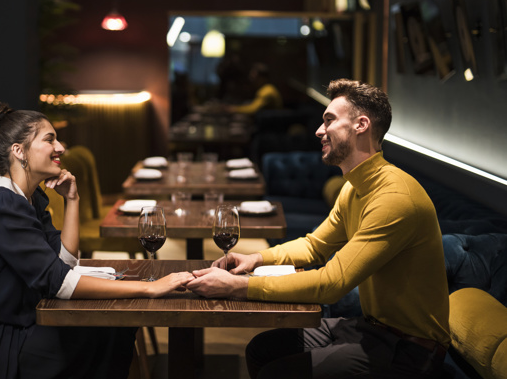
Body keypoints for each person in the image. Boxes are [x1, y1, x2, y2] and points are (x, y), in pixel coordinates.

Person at [187, 79, 450, 378]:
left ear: (361, 125)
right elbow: (315, 245)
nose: (318, 130)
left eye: (329, 120)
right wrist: (256, 259)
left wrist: (239, 286)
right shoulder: (354, 187)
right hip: (370, 328)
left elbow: (332, 283)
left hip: (410, 349)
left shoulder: (394, 198)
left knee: (279, 372)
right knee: (262, 349)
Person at [0, 99, 194, 379]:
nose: (61, 147)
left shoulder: (27, 197)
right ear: (19, 151)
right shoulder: (2, 204)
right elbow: (60, 282)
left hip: (16, 324)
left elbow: (64, 263)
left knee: (114, 328)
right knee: (107, 332)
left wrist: (73, 200)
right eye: (50, 140)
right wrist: (149, 288)